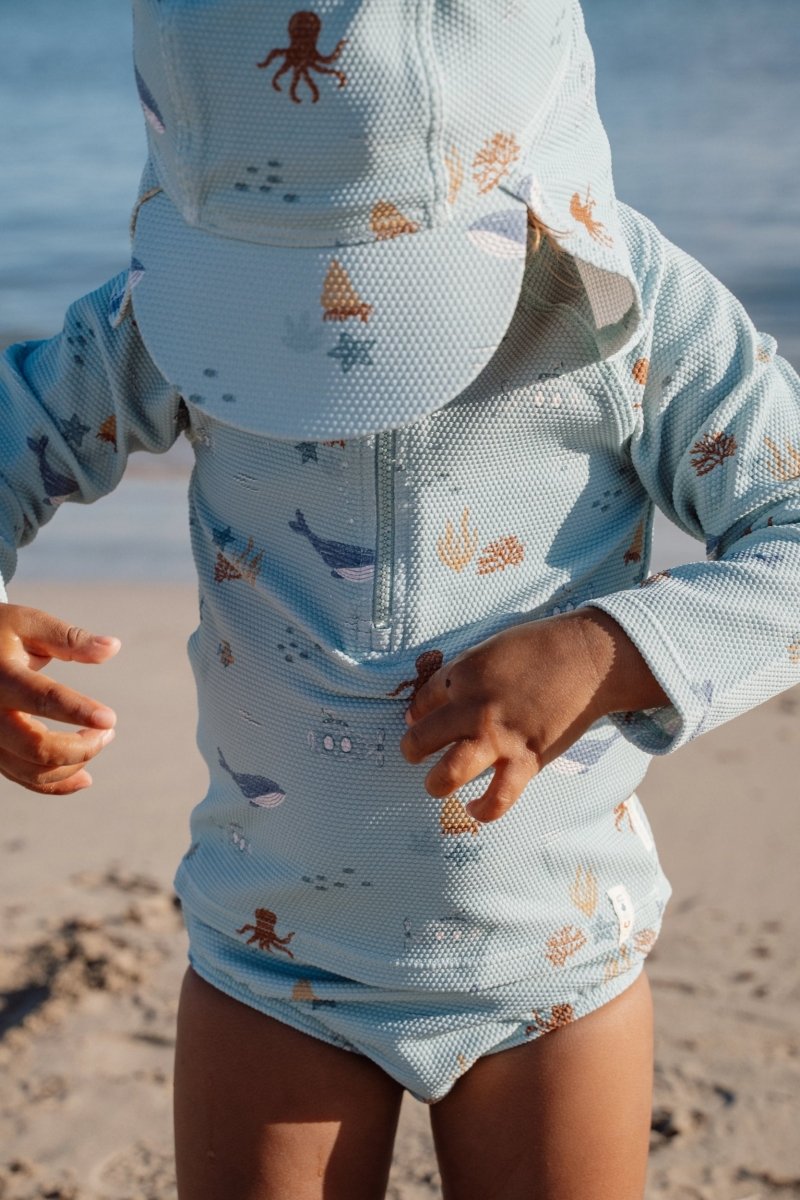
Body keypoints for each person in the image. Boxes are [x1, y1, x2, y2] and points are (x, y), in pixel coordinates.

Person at [1, 2, 798, 1197]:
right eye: (274, 281)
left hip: (551, 973)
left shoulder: (636, 313)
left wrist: (609, 652)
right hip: (268, 967)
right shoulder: (178, 307)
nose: (322, 319)